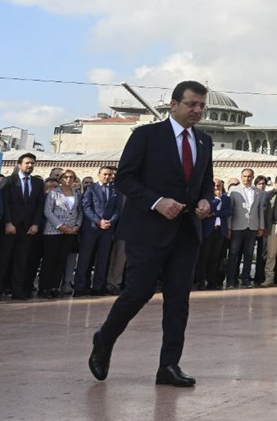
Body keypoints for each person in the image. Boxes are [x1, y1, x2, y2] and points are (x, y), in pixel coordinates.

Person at [89, 80, 215, 387]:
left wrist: (205, 201)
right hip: (148, 229)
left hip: (186, 231)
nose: (197, 110)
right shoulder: (146, 135)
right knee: (138, 292)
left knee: (178, 299)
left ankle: (169, 365)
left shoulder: (203, 141)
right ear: (174, 105)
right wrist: (157, 202)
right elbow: (125, 179)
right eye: (191, 104)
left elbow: (206, 183)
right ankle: (104, 340)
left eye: (201, 105)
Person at [0, 153, 45, 300]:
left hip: (28, 228)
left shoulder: (38, 183)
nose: (30, 165)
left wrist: (36, 224)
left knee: (21, 260)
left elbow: (39, 205)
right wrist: (8, 222)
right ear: (20, 165)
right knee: (4, 259)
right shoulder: (9, 181)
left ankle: (17, 291)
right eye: (27, 163)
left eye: (32, 163)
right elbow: (5, 203)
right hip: (10, 226)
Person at [76, 166, 121, 297]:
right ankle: (80, 287)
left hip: (107, 230)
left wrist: (110, 221)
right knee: (85, 258)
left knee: (103, 259)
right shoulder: (90, 189)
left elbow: (117, 209)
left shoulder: (114, 190)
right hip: (91, 228)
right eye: (105, 174)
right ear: (99, 174)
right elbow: (86, 207)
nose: (107, 177)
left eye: (109, 175)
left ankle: (98, 287)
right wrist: (98, 221)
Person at [40, 170, 83, 299]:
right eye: (65, 177)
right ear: (61, 179)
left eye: (71, 177)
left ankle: (55, 287)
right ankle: (45, 287)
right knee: (50, 260)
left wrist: (77, 226)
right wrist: (61, 226)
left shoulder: (77, 194)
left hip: (70, 231)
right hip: (53, 231)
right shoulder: (54, 193)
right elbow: (48, 211)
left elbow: (79, 211)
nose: (68, 179)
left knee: (61, 260)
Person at [225, 169, 264, 289]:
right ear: (241, 177)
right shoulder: (233, 191)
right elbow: (230, 210)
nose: (247, 179)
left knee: (248, 253)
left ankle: (246, 278)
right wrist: (229, 227)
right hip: (237, 226)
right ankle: (231, 280)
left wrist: (261, 226)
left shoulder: (258, 192)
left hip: (252, 227)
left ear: (253, 177)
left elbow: (260, 210)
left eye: (249, 176)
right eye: (244, 176)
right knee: (233, 253)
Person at [196, 178, 230, 291]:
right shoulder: (207, 199)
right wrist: (216, 199)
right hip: (208, 231)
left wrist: (215, 213)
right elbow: (208, 211)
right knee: (204, 257)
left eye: (218, 185)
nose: (216, 187)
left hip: (220, 231)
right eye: (214, 185)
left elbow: (228, 211)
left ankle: (212, 281)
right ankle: (201, 281)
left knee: (215, 257)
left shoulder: (226, 198)